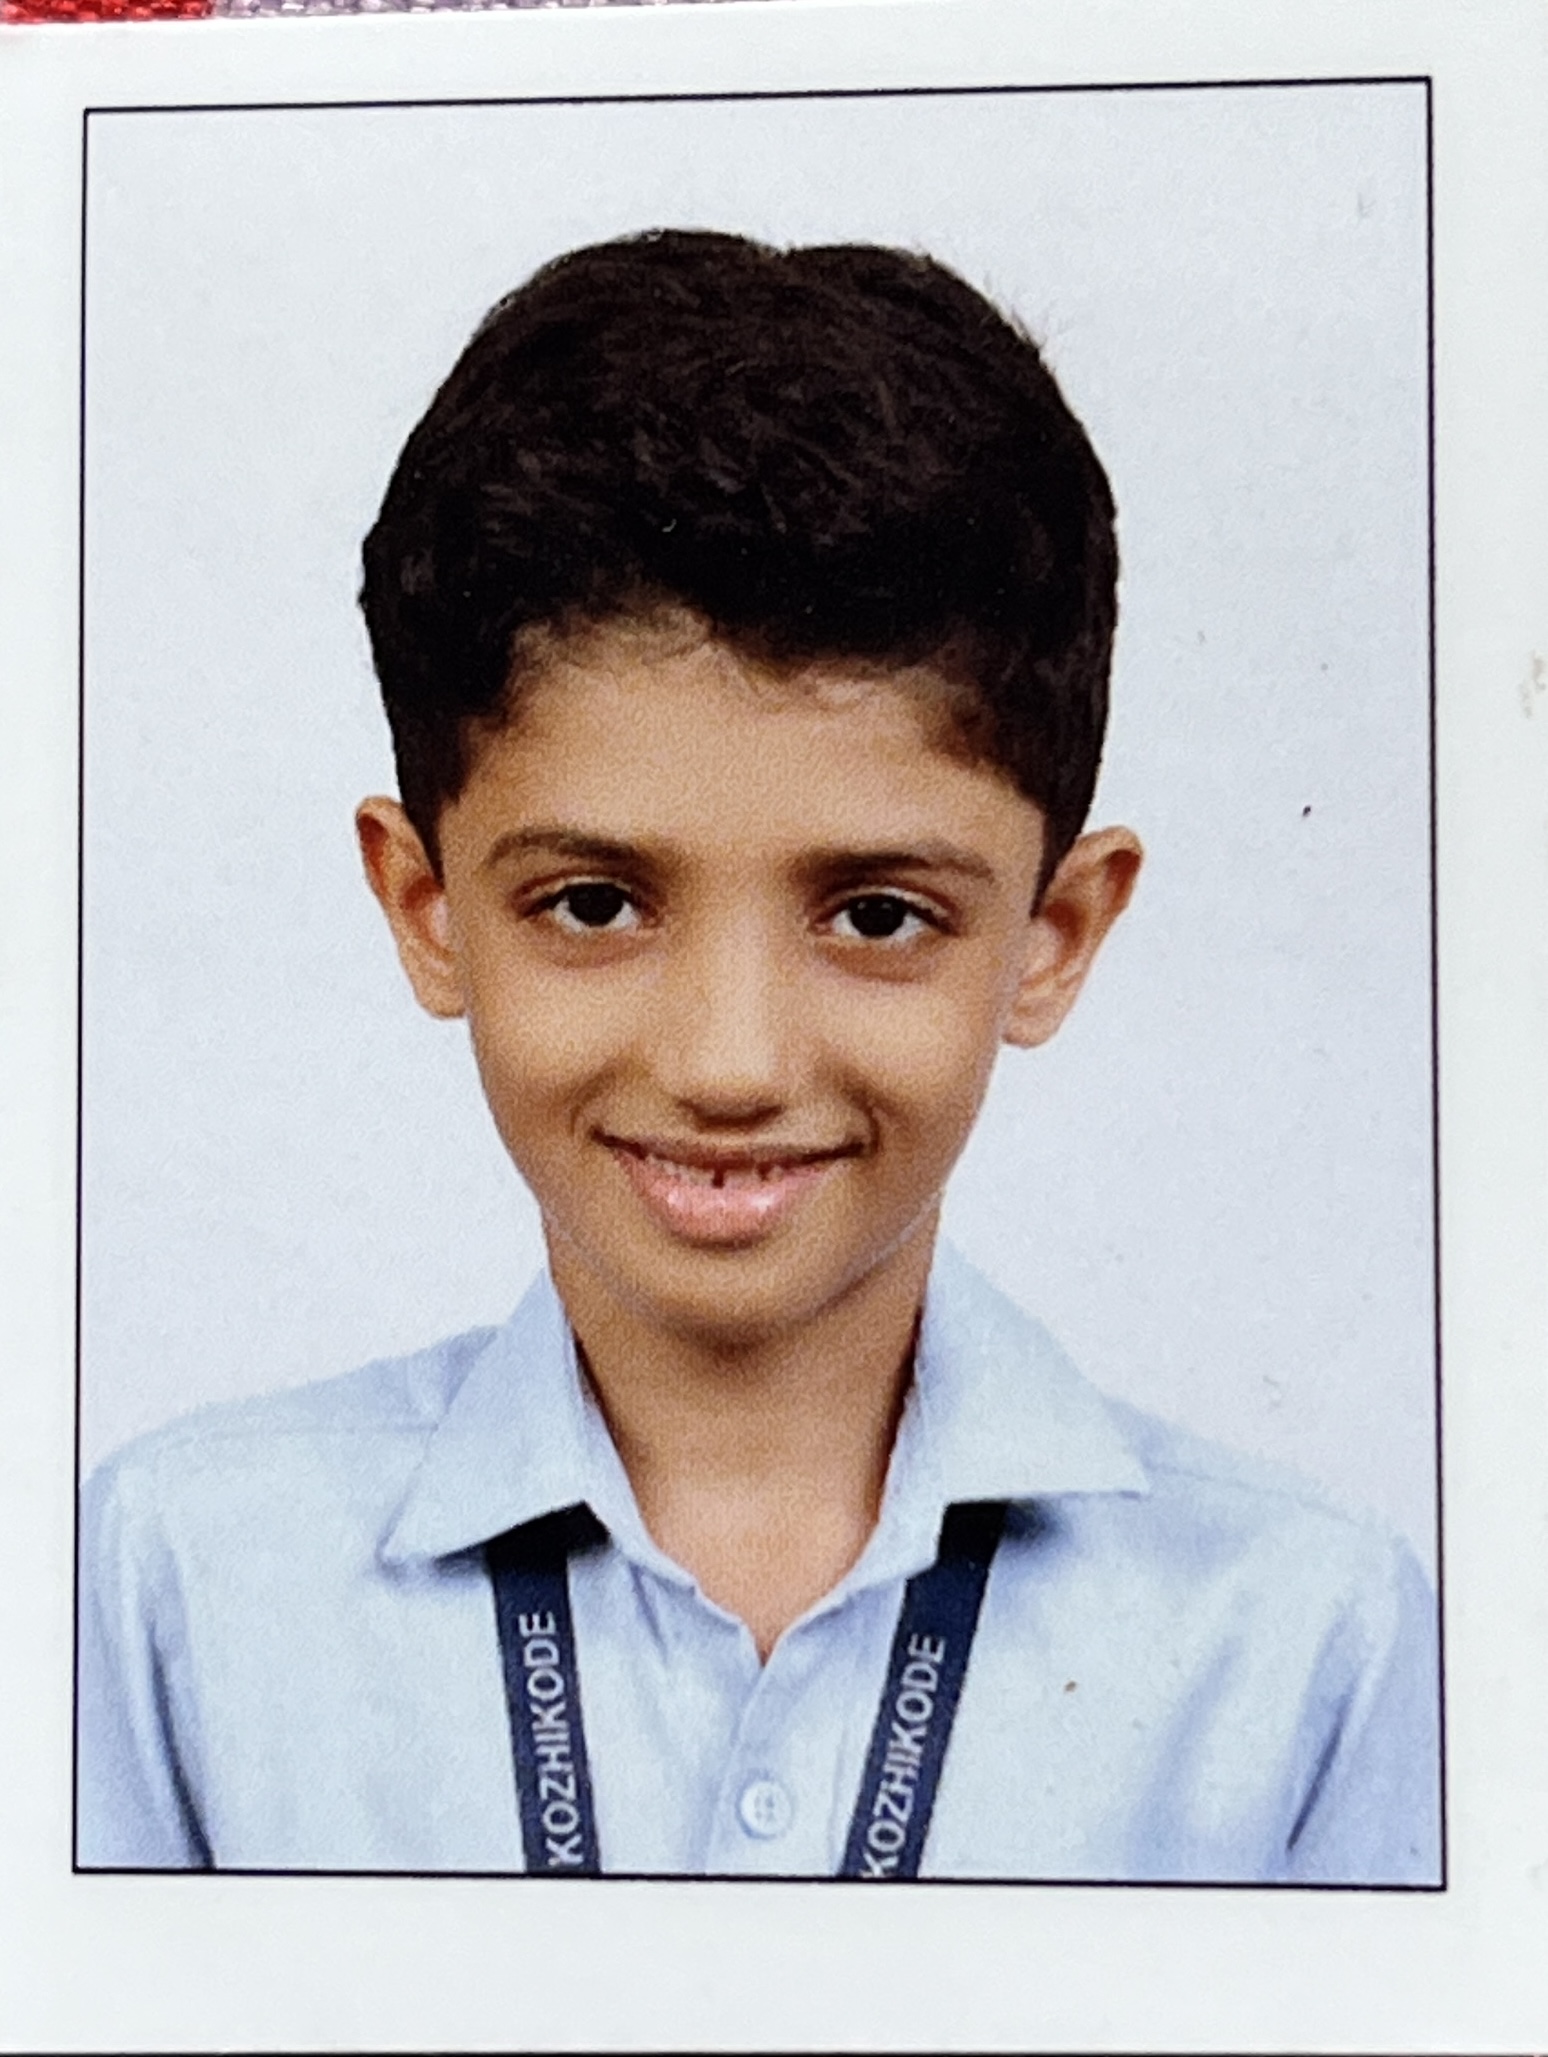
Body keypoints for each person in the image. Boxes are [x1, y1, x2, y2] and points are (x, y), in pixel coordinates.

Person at [77, 229, 1439, 1880]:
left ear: (1056, 934)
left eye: (875, 916)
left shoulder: (1304, 1643)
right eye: (594, 903)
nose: (729, 1061)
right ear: (426, 908)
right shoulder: (175, 1587)